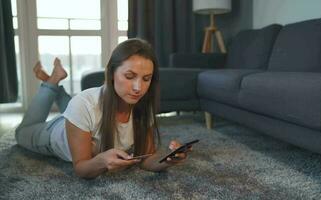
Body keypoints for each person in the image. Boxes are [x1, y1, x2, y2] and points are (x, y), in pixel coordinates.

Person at [15, 38, 191, 178]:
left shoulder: (143, 107)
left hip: (81, 117)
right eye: (130, 76)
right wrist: (100, 161)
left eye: (146, 79)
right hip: (55, 133)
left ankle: (51, 79)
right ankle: (51, 82)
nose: (139, 88)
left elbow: (146, 160)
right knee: (22, 131)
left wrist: (167, 159)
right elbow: (81, 168)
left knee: (80, 109)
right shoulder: (83, 104)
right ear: (112, 73)